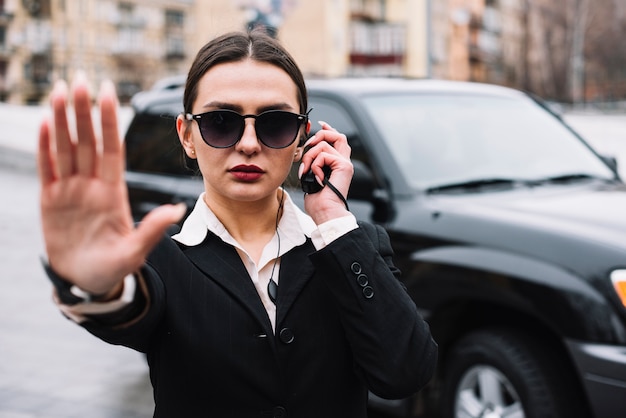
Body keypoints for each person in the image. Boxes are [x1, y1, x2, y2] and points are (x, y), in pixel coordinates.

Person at [37, 29, 437, 417]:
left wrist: (332, 217)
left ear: (302, 138)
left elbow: (404, 372)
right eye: (221, 122)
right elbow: (129, 311)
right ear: (187, 135)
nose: (248, 143)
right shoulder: (157, 253)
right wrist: (99, 289)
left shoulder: (349, 245)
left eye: (275, 123)